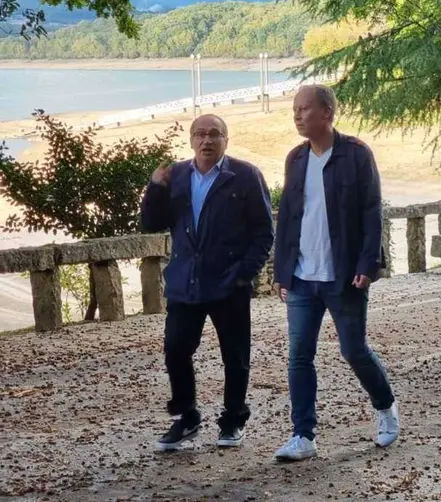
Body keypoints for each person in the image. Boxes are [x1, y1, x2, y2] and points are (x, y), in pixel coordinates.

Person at [271, 84, 399, 461]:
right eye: (295, 109)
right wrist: (281, 270)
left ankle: (386, 408)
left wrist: (367, 265)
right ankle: (303, 435)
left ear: (327, 113)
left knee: (354, 350)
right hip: (301, 277)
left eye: (305, 109)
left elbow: (371, 213)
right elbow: (290, 218)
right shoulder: (295, 158)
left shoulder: (356, 155)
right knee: (298, 356)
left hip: (343, 275)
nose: (297, 115)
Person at [140, 114, 274, 451]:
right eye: (200, 134)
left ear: (226, 140)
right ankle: (186, 417)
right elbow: (151, 223)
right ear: (191, 140)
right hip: (186, 282)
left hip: (229, 282)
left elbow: (263, 231)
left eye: (215, 134)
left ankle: (232, 420)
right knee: (175, 349)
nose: (207, 141)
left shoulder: (244, 176)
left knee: (236, 355)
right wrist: (155, 188)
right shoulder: (177, 175)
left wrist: (245, 272)